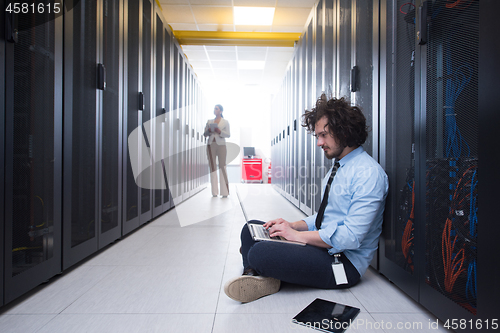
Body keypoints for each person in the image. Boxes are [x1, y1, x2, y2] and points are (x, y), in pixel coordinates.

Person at [224, 95, 389, 303]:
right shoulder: (338, 168)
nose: (319, 142)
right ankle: (256, 276)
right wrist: (291, 225)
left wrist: (296, 236)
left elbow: (350, 237)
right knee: (251, 229)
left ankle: (256, 267)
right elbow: (323, 218)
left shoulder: (369, 174)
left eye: (324, 135)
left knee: (259, 252)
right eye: (318, 136)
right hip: (322, 247)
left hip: (342, 262)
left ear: (344, 130)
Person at [204, 104, 231, 197]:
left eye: (216, 109)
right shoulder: (209, 121)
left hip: (221, 145)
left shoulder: (225, 122)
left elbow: (228, 135)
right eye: (214, 108)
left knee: (222, 167)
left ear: (221, 111)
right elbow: (205, 134)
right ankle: (214, 192)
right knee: (212, 168)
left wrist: (219, 131)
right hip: (211, 145)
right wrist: (209, 131)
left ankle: (225, 192)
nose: (214, 110)